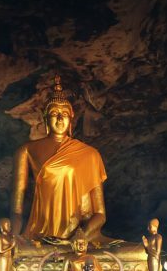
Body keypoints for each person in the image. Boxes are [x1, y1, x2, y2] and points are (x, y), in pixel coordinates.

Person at [11, 76, 108, 246]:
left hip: (80, 239)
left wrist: (80, 238)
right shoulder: (26, 150)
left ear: (71, 119)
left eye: (64, 114)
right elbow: (16, 207)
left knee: (134, 252)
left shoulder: (90, 154)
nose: (60, 119)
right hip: (40, 236)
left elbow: (100, 214)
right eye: (54, 114)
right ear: (45, 118)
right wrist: (12, 234)